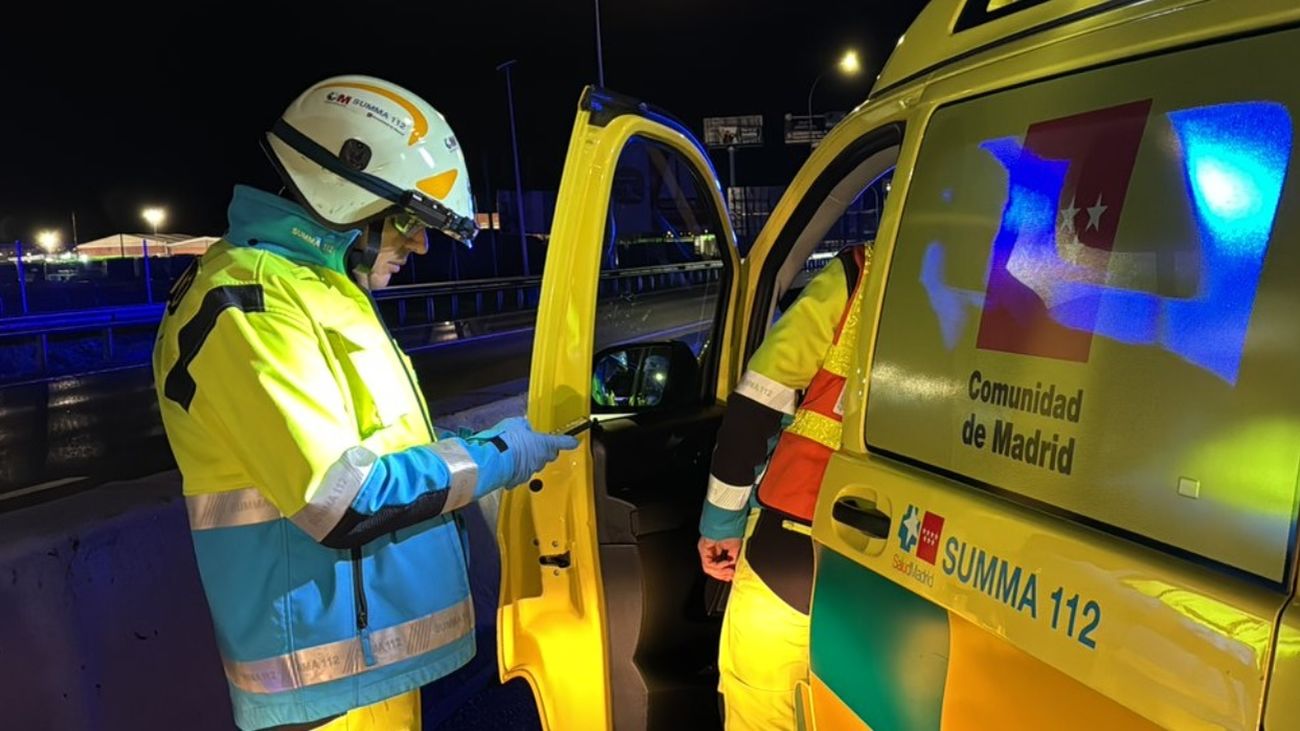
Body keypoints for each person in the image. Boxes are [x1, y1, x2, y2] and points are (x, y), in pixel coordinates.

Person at [152, 75, 578, 731]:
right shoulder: (250, 298)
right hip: (324, 692)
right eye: (408, 220)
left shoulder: (312, 290)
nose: (420, 244)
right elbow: (340, 497)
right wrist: (499, 454)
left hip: (361, 676)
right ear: (344, 195)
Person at [698, 244, 871, 730]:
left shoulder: (862, 274)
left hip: (796, 547)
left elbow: (759, 401)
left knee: (763, 706)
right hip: (913, 573)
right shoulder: (1004, 299)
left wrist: (720, 526)